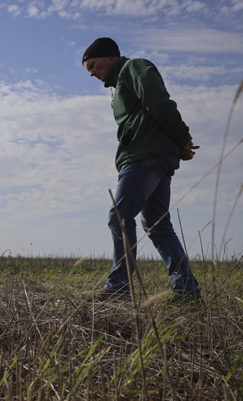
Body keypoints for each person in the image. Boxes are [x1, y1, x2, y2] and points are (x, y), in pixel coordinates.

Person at [82, 37, 202, 301]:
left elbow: (159, 102)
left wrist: (182, 139)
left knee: (120, 216)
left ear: (110, 56)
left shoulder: (133, 68)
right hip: (153, 155)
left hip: (144, 156)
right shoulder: (119, 85)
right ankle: (187, 292)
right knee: (156, 224)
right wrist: (178, 144)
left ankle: (118, 288)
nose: (91, 73)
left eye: (92, 65)